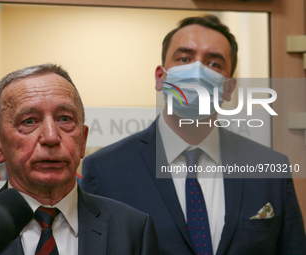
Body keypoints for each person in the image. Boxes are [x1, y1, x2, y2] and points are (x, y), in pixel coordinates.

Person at [81, 15, 306, 255]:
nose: (197, 71)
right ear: (160, 77)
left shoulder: (270, 168)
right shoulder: (106, 170)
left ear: (228, 88)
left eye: (214, 64)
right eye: (184, 59)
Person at [0, 64, 160, 255]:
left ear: (83, 140)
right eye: (29, 121)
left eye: (65, 119)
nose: (51, 137)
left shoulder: (132, 229)